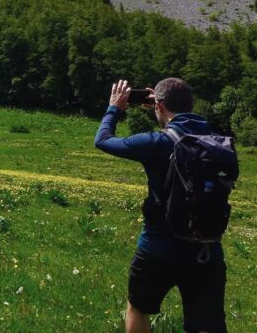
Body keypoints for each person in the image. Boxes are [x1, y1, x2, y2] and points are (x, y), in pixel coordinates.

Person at [95, 78, 227, 333]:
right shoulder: (218, 141)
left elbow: (103, 140)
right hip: (206, 250)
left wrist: (114, 108)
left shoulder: (155, 143)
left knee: (138, 307)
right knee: (208, 326)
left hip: (158, 248)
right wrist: (159, 107)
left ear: (159, 105)